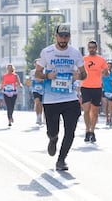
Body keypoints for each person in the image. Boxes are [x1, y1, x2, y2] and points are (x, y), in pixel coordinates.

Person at [35, 24, 87, 171]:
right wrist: (47, 75)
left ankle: (61, 160)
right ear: (56, 36)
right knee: (53, 130)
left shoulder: (75, 53)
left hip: (70, 98)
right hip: (51, 100)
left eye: (66, 36)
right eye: (61, 36)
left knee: (70, 131)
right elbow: (37, 74)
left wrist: (79, 75)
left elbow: (84, 74)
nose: (63, 39)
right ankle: (53, 139)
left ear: (69, 37)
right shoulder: (47, 52)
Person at [80, 40, 108, 143]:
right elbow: (80, 72)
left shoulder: (101, 60)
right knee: (86, 110)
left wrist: (106, 72)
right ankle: (87, 130)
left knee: (95, 112)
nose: (92, 49)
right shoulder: (84, 59)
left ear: (96, 48)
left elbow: (107, 73)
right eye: (90, 47)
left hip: (97, 87)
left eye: (93, 47)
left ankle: (92, 131)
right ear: (88, 48)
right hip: (86, 87)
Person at [101, 61, 112, 127]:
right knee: (105, 107)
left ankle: (110, 119)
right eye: (108, 66)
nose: (109, 67)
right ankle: (107, 118)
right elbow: (100, 81)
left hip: (111, 91)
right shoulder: (103, 73)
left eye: (110, 66)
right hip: (104, 91)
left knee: (111, 107)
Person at [30, 59, 44, 125]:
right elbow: (31, 80)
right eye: (36, 64)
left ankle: (40, 116)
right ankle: (37, 117)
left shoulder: (43, 71)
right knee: (37, 101)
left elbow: (45, 79)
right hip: (35, 89)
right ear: (34, 64)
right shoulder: (32, 72)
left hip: (43, 89)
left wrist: (41, 79)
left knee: (40, 104)